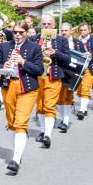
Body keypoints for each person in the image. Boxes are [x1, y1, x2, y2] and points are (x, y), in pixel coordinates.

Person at [0, 20, 42, 175]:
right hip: (8, 86)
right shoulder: (5, 46)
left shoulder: (35, 48)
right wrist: (3, 66)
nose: (18, 35)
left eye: (21, 32)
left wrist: (23, 62)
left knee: (21, 124)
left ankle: (15, 159)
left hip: (27, 89)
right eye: (15, 32)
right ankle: (17, 153)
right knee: (13, 123)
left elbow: (39, 70)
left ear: (27, 33)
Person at [31, 15, 71, 148]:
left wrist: (55, 53)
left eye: (49, 24)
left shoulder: (61, 40)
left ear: (54, 25)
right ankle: (43, 131)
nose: (46, 26)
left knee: (49, 105)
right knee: (40, 105)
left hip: (53, 76)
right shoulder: (35, 39)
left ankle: (47, 135)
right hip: (37, 76)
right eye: (44, 24)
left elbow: (68, 58)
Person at [56, 22, 78, 132]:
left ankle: (65, 121)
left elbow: (84, 54)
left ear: (71, 31)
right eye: (62, 30)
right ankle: (63, 118)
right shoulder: (58, 41)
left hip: (71, 72)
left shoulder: (77, 42)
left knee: (67, 96)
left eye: (66, 30)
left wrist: (87, 54)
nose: (64, 32)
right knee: (59, 97)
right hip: (60, 70)